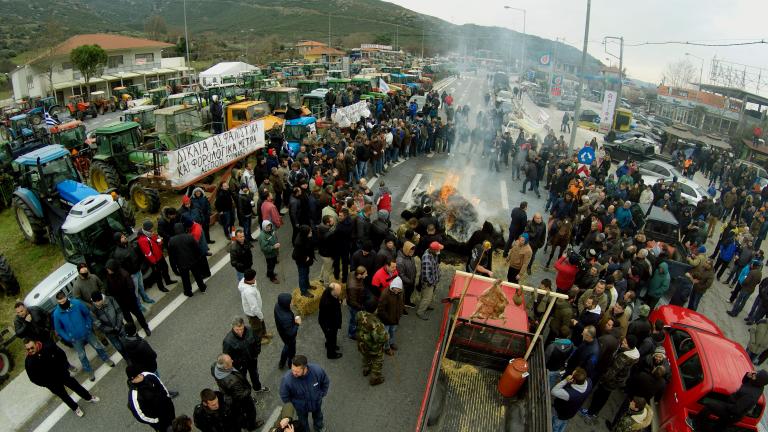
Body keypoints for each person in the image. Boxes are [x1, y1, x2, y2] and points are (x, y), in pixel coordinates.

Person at [24, 338, 100, 418]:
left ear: (36, 344)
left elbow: (61, 355)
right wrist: (46, 384)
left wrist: (65, 367)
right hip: (52, 383)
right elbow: (33, 378)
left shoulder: (48, 346)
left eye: (32, 347)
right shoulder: (29, 362)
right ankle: (75, 408)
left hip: (62, 374)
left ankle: (88, 397)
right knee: (64, 396)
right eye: (28, 349)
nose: (30, 350)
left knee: (76, 386)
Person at [52, 291, 115, 381]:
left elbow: (87, 313)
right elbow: (59, 329)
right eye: (60, 302)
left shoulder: (76, 303)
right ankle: (89, 371)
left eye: (64, 301)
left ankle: (106, 359)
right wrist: (68, 338)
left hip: (87, 332)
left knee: (98, 346)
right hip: (75, 339)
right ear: (58, 302)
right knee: (82, 356)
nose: (63, 303)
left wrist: (88, 325)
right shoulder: (57, 313)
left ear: (66, 298)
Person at [690, 370, 768, 431]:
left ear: (759, 380)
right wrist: (747, 376)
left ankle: (695, 423)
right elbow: (745, 382)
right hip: (733, 408)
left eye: (755, 375)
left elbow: (736, 409)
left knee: (710, 406)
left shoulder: (750, 396)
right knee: (720, 426)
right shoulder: (758, 384)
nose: (754, 374)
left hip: (732, 414)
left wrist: (725, 405)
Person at [211, 353, 264, 430]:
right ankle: (251, 426)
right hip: (239, 398)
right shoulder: (233, 381)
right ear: (225, 367)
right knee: (250, 411)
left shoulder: (214, 366)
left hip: (228, 394)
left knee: (238, 413)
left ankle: (243, 423)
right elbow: (241, 395)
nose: (232, 361)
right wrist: (248, 390)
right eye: (230, 361)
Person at [279, 355, 330, 432]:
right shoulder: (287, 379)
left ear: (305, 368)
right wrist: (293, 406)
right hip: (300, 408)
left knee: (318, 415)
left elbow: (325, 382)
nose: (294, 373)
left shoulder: (317, 371)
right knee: (302, 422)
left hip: (316, 402)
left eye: (297, 371)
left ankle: (319, 427)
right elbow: (284, 395)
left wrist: (321, 394)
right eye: (293, 370)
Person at [223, 316, 270, 393]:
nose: (240, 332)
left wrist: (256, 353)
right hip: (240, 366)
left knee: (255, 375)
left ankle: (257, 388)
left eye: (241, 328)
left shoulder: (250, 330)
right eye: (237, 330)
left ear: (244, 325)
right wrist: (236, 364)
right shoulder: (228, 341)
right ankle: (248, 396)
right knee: (242, 381)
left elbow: (257, 341)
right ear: (232, 327)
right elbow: (226, 357)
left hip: (252, 360)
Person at [105, 259, 151, 336]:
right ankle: (134, 333)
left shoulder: (124, 274)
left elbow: (131, 288)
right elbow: (109, 289)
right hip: (120, 303)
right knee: (128, 319)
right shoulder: (109, 277)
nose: (108, 270)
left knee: (139, 315)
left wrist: (131, 298)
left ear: (114, 268)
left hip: (130, 300)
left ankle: (145, 327)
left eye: (109, 269)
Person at [126, 364, 176, 431]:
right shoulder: (134, 396)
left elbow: (162, 387)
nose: (141, 377)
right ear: (132, 380)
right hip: (160, 421)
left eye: (140, 374)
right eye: (137, 377)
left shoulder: (149, 376)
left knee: (176, 426)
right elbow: (140, 416)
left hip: (169, 410)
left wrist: (168, 400)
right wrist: (156, 420)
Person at [168, 222, 208, 296]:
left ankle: (188, 292)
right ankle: (202, 287)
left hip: (181, 263)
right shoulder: (189, 237)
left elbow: (171, 256)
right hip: (193, 260)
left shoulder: (171, 241)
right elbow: (197, 249)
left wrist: (174, 267)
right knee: (197, 275)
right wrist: (198, 257)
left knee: (185, 278)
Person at [136, 220, 176, 293]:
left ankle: (168, 281)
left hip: (160, 256)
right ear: (148, 229)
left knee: (165, 268)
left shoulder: (150, 234)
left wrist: (159, 241)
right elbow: (148, 253)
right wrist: (154, 262)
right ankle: (161, 287)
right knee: (157, 274)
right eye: (151, 228)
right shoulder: (142, 240)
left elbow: (156, 239)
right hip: (155, 260)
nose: (153, 229)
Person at [356, 299, 389, 386]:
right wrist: (386, 335)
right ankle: (375, 379)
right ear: (375, 309)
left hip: (361, 343)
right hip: (373, 347)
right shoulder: (376, 323)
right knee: (378, 361)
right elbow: (382, 338)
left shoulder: (360, 314)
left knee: (365, 356)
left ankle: (366, 369)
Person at [551, 367, 592, 432]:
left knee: (556, 426)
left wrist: (565, 380)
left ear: (574, 381)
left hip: (561, 412)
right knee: (563, 423)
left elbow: (553, 391)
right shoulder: (589, 382)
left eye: (572, 375)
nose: (570, 376)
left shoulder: (570, 394)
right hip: (572, 411)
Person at [239, 269, 272, 344]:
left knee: (262, 323)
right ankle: (259, 339)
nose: (255, 278)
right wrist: (260, 316)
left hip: (257, 311)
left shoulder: (246, 281)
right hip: (253, 314)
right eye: (254, 277)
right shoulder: (248, 292)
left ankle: (264, 334)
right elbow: (254, 307)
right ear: (251, 279)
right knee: (257, 327)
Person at [378, 276, 405, 355]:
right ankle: (386, 348)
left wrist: (400, 314)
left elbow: (402, 302)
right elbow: (381, 310)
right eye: (398, 289)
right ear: (393, 287)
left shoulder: (399, 292)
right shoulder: (385, 294)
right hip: (387, 320)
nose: (399, 291)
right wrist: (388, 319)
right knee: (386, 334)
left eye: (400, 290)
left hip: (395, 319)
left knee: (392, 332)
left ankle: (391, 343)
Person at [275, 293, 301, 369]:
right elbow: (291, 333)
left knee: (286, 346)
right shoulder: (286, 318)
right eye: (290, 301)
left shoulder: (277, 306)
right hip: (289, 337)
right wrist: (297, 324)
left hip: (282, 332)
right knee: (292, 353)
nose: (292, 302)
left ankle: (281, 363)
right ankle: (291, 365)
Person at [318, 282, 343, 359]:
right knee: (331, 338)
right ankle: (331, 354)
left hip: (328, 323)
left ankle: (331, 345)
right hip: (329, 325)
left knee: (331, 337)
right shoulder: (327, 303)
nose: (340, 293)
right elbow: (331, 316)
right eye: (338, 291)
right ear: (333, 291)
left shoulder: (328, 292)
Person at [293, 225, 315, 298]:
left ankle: (307, 285)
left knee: (306, 273)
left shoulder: (305, 237)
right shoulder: (298, 243)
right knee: (302, 276)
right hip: (302, 262)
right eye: (310, 232)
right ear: (305, 233)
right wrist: (305, 258)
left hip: (306, 261)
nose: (311, 232)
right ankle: (303, 291)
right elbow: (295, 255)